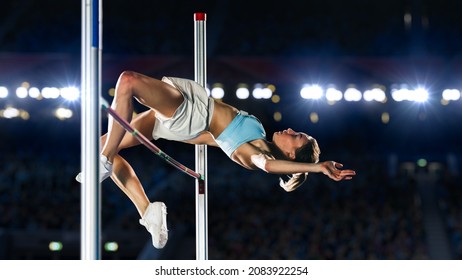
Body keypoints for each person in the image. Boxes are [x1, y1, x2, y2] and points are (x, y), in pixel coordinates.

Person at [76, 71, 356, 249]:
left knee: (128, 81)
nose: (292, 130)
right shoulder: (258, 133)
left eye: (297, 136)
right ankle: (148, 210)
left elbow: (269, 166)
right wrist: (173, 134)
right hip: (184, 122)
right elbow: (210, 138)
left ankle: (104, 161)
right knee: (100, 147)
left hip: (191, 111)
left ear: (292, 154)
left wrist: (317, 167)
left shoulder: (254, 153)